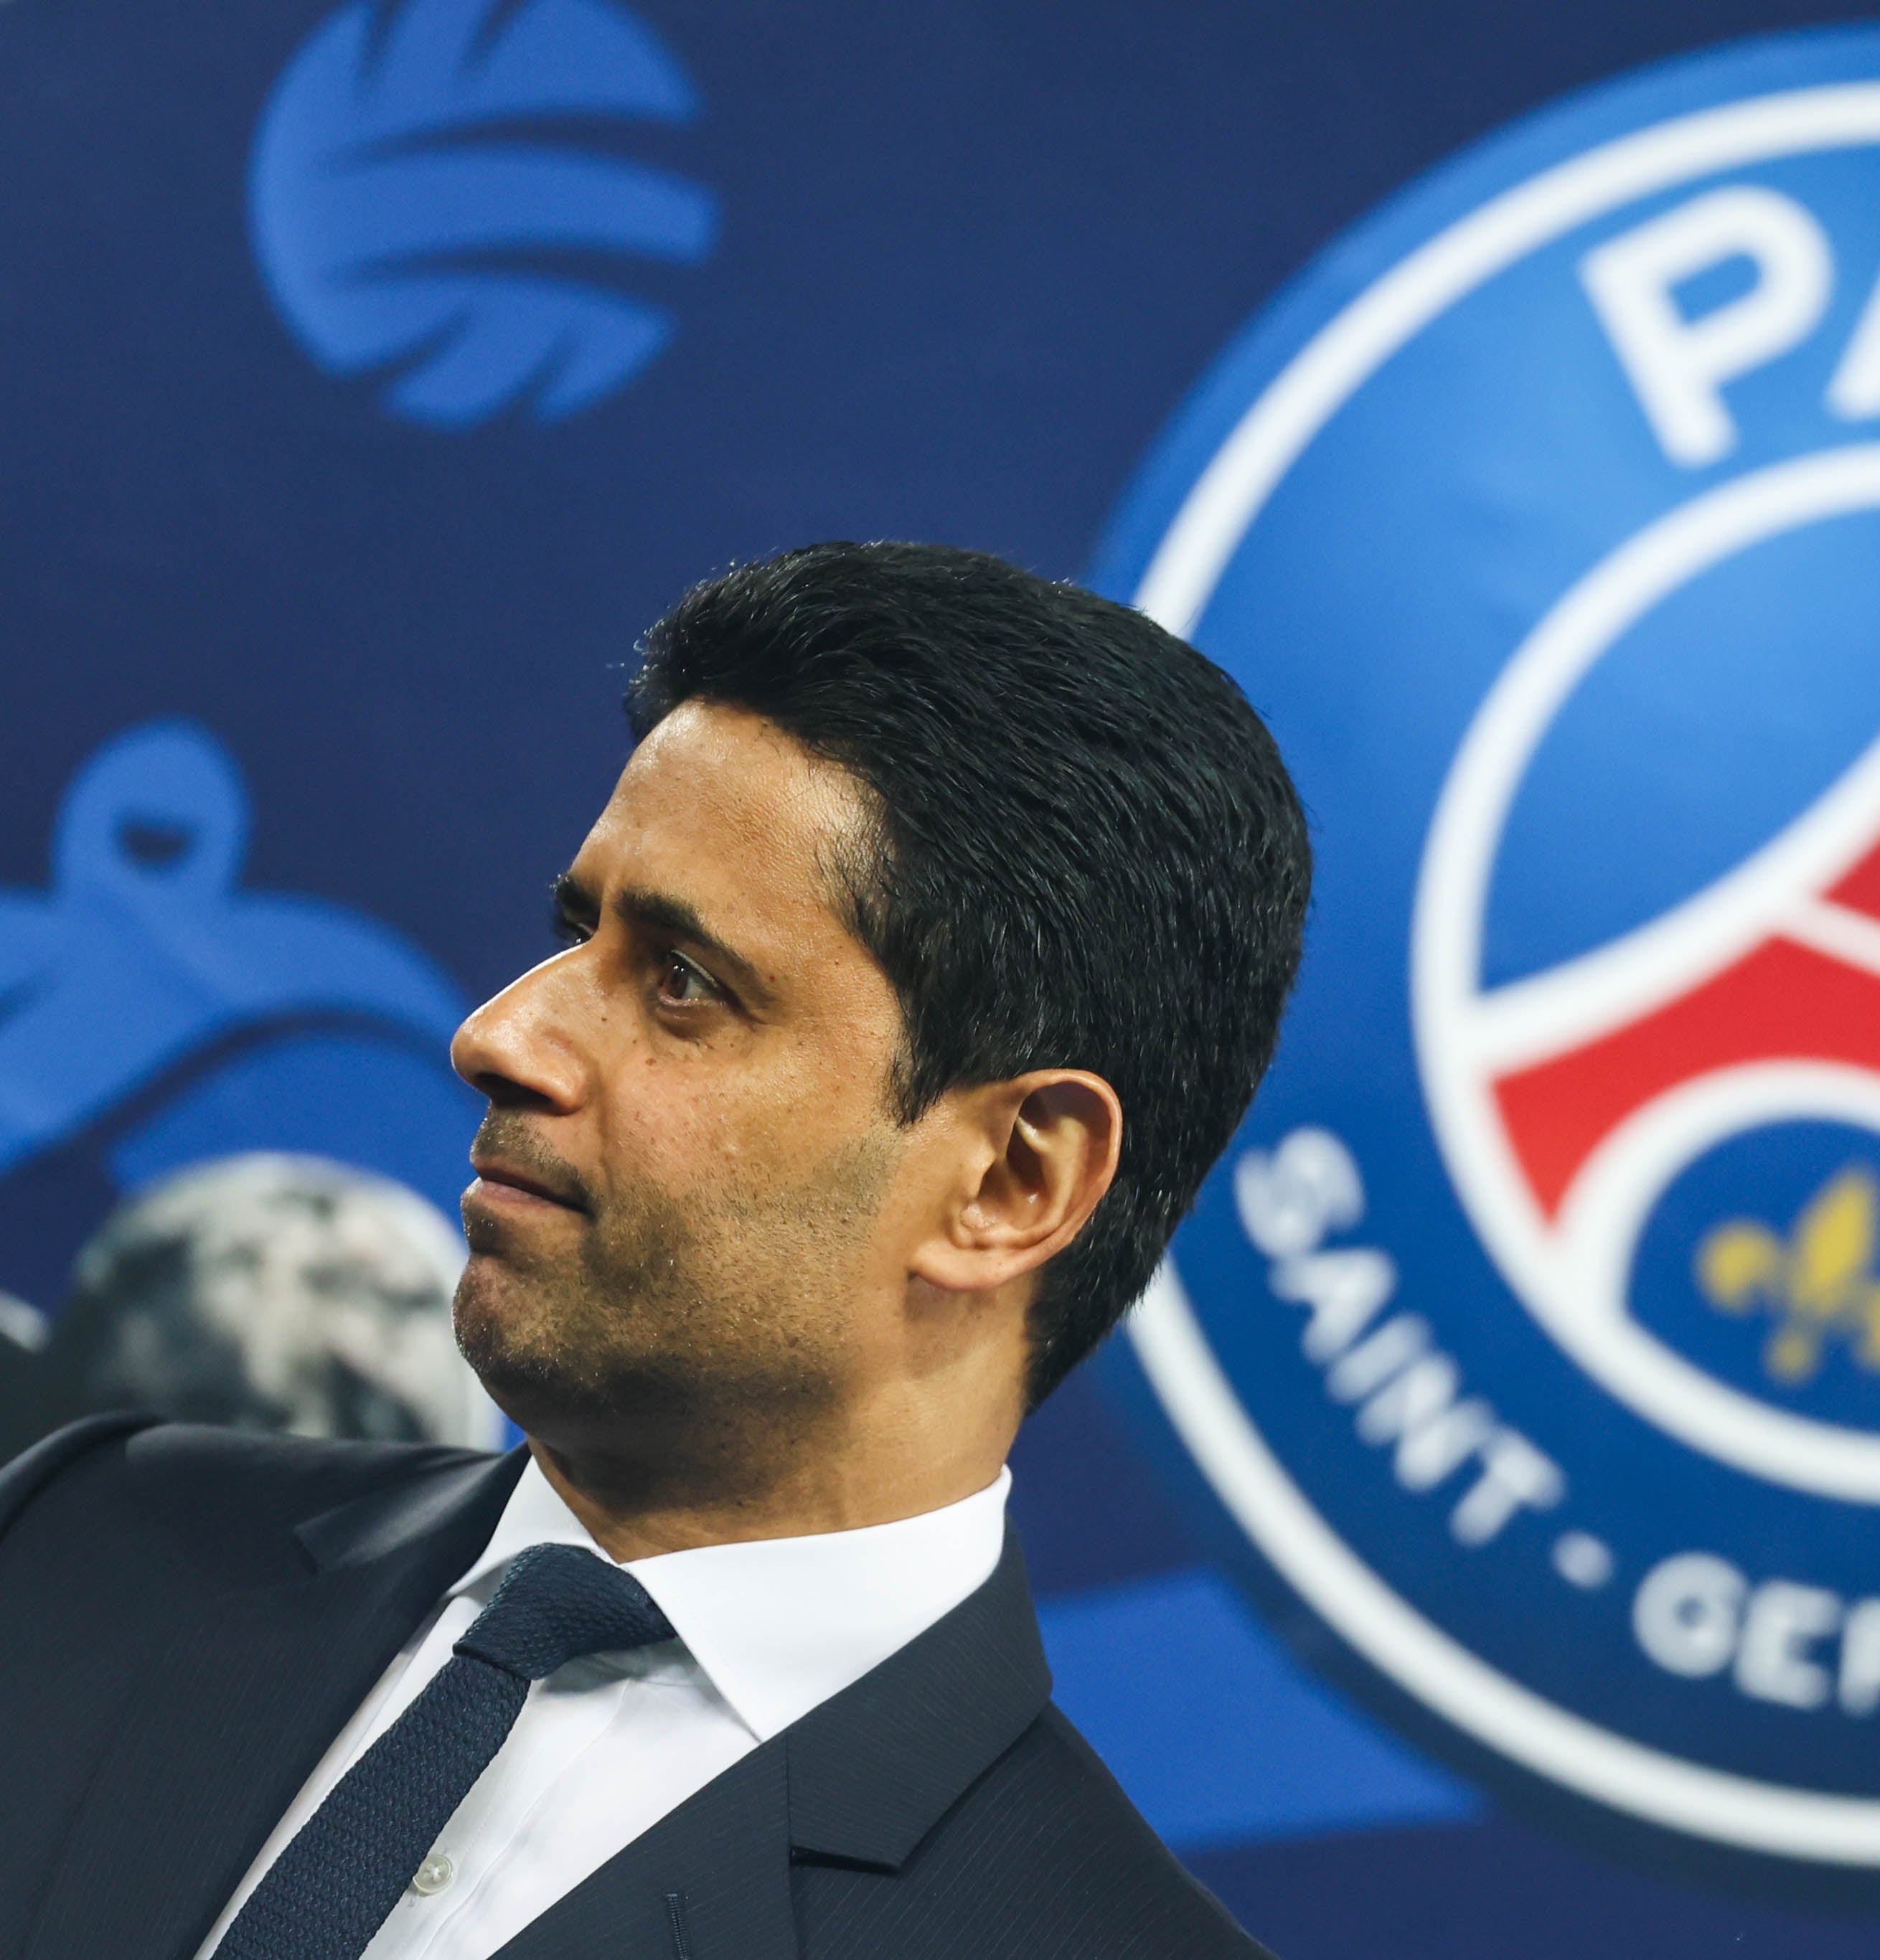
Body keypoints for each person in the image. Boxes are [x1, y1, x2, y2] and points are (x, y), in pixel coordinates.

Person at [0, 542, 1311, 1960]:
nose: (499, 1035)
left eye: (683, 983)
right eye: (578, 931)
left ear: (1009, 1179)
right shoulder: (80, 1546)